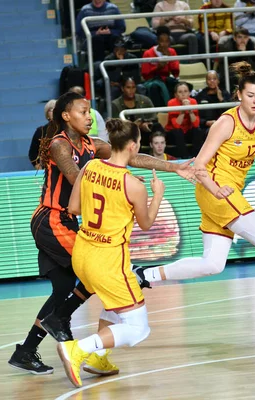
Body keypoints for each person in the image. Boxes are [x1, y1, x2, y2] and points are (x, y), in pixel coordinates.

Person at [9, 92, 194, 375]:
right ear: (66, 116)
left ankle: (26, 349)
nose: (89, 117)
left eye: (89, 112)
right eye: (83, 112)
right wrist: (122, 182)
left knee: (63, 290)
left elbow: (129, 156)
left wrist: (173, 166)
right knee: (97, 271)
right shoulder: (60, 145)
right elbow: (79, 180)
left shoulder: (90, 144)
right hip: (53, 219)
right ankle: (61, 321)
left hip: (67, 220)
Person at [134, 62, 255, 334]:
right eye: (250, 95)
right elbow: (199, 165)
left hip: (227, 192)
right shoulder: (226, 123)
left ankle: (143, 275)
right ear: (239, 95)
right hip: (216, 189)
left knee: (212, 264)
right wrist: (215, 190)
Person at [56, 119, 164, 388]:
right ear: (132, 146)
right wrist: (157, 195)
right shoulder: (133, 185)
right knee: (138, 328)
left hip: (82, 254)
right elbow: (147, 223)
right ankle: (79, 349)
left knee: (113, 305)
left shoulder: (90, 166)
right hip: (108, 261)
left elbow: (74, 207)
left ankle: (100, 358)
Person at [112, 77, 163, 145]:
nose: (131, 90)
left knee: (157, 127)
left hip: (146, 133)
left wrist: (146, 124)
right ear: (122, 88)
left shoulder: (145, 100)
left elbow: (154, 118)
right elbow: (116, 126)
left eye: (133, 87)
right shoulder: (115, 104)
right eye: (128, 87)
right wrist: (134, 126)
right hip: (128, 135)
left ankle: (160, 153)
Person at [141, 26, 180, 108]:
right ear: (158, 41)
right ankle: (159, 111)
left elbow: (176, 73)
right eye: (162, 41)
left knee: (176, 84)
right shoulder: (148, 53)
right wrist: (157, 67)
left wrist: (170, 58)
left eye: (167, 41)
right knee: (155, 87)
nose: (164, 44)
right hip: (152, 81)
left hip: (166, 79)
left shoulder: (172, 52)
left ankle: (175, 109)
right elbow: (145, 75)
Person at [165, 82, 202, 159]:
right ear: (175, 94)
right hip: (173, 133)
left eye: (185, 91)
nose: (183, 94)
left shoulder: (193, 102)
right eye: (180, 92)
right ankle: (184, 157)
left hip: (188, 131)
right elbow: (176, 125)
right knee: (178, 131)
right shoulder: (171, 103)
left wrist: (190, 110)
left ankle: (197, 157)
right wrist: (183, 109)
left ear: (189, 93)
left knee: (197, 130)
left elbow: (196, 124)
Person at [193, 71, 232, 137]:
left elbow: (230, 112)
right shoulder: (201, 95)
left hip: (223, 125)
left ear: (218, 81)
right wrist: (205, 122)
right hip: (206, 127)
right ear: (206, 81)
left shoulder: (225, 93)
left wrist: (221, 99)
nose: (212, 81)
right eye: (209, 79)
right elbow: (197, 115)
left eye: (214, 79)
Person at [29, 100, 57, 169]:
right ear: (47, 114)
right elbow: (32, 153)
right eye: (51, 110)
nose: (54, 111)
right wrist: (38, 166)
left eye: (56, 109)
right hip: (47, 168)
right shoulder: (40, 131)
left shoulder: (68, 129)